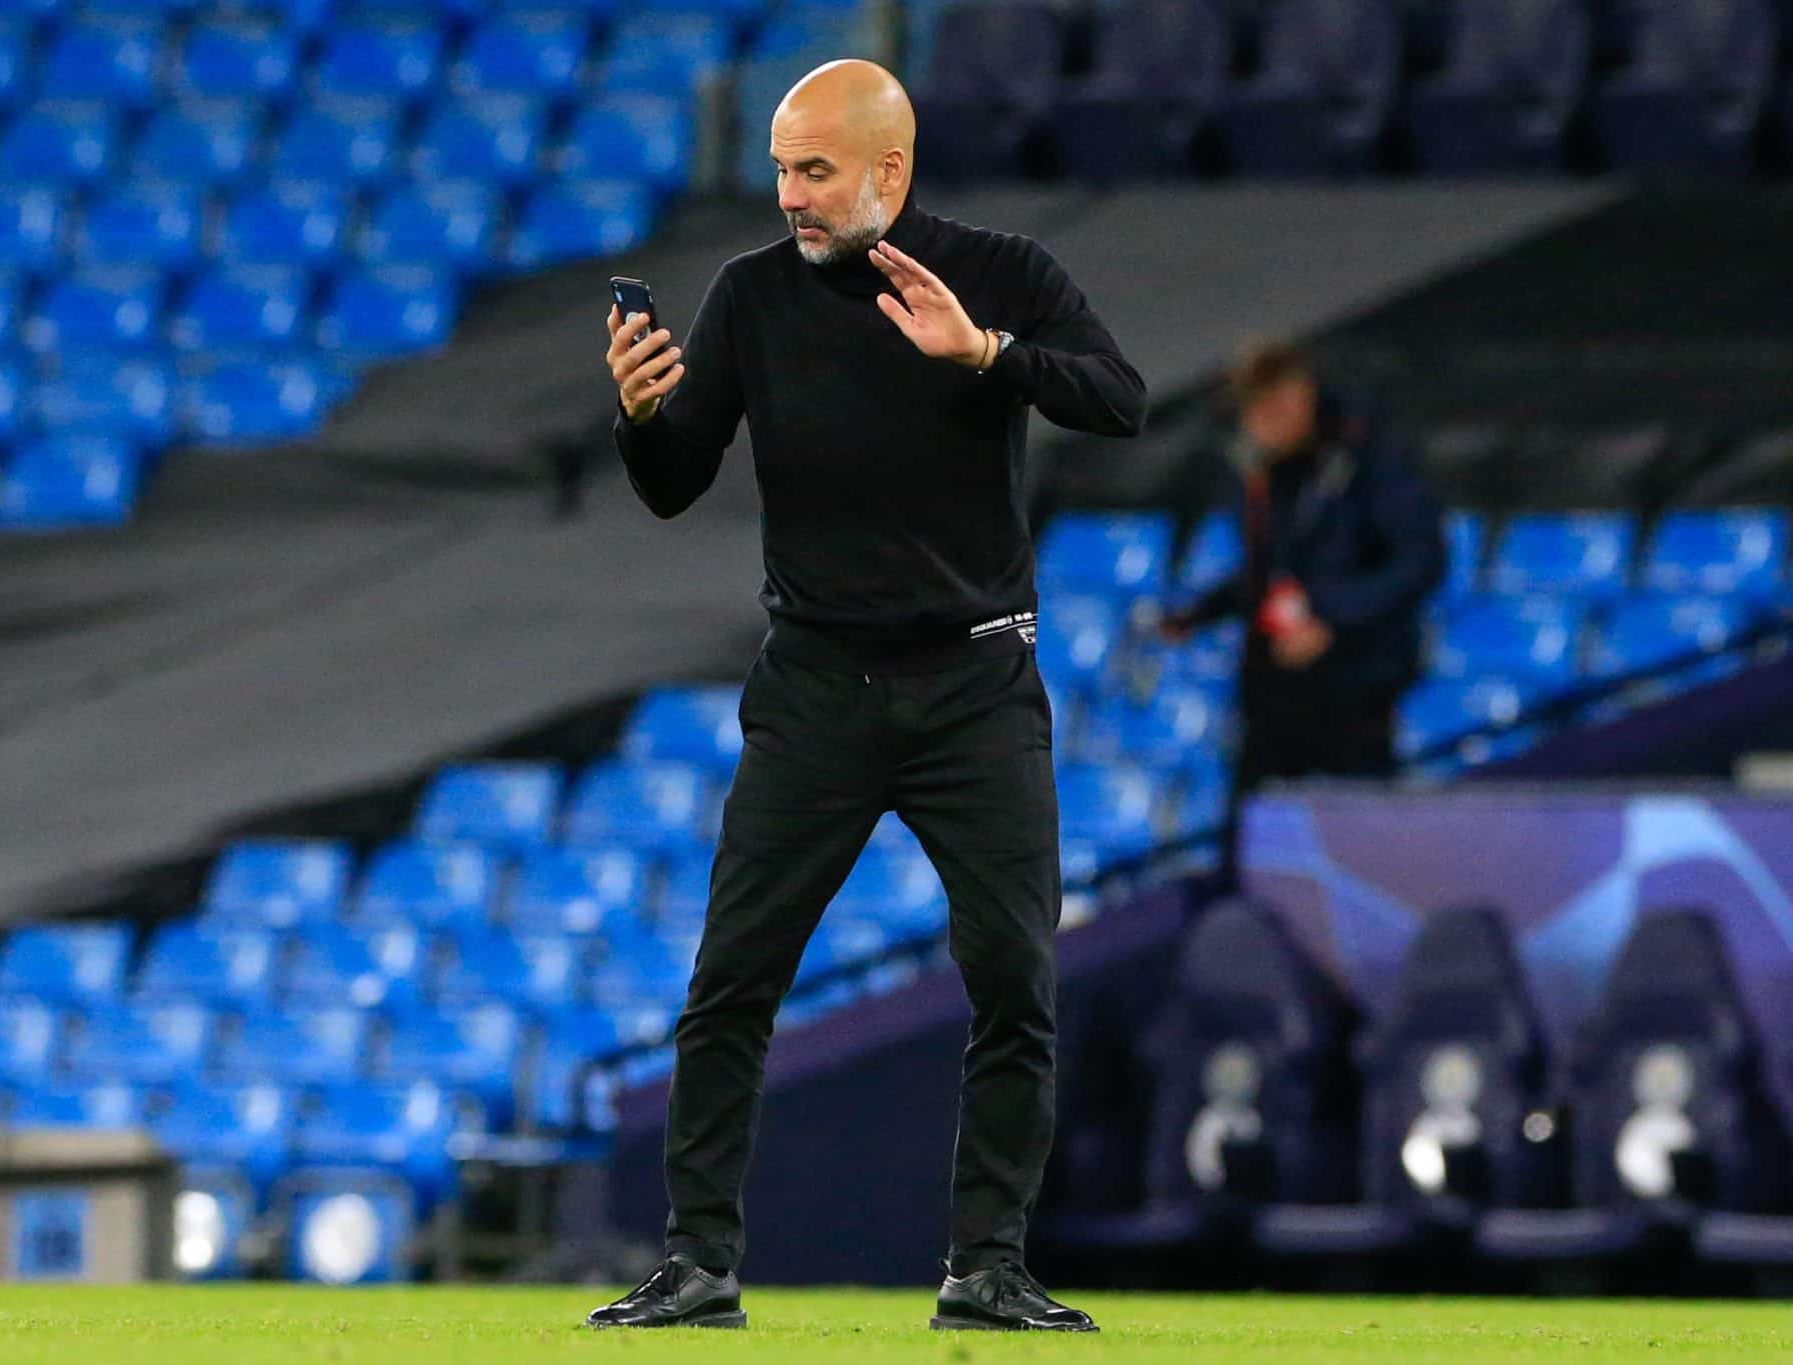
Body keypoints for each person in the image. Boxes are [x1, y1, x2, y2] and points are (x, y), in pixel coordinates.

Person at [590, 60, 1146, 1332]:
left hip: (973, 682)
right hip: (815, 686)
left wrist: (988, 353)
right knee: (732, 976)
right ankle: (697, 1264)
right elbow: (675, 482)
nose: (788, 192)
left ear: (888, 172)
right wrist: (639, 417)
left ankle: (985, 1266)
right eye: (781, 167)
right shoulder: (751, 296)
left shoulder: (998, 273)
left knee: (1013, 976)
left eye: (813, 170)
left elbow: (1120, 398)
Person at [1165, 341, 1445, 808]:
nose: (1258, 428)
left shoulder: (1370, 461)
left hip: (1358, 684)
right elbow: (1275, 569)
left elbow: (1420, 561)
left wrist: (1332, 621)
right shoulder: (1259, 471)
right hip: (1276, 684)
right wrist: (1200, 614)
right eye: (1252, 415)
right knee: (1254, 823)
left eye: (1271, 411)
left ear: (1301, 400)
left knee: (1359, 828)